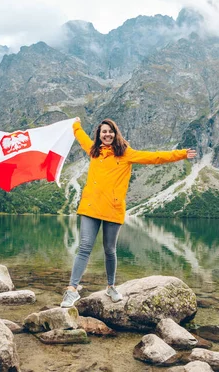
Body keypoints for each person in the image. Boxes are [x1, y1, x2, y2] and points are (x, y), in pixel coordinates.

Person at [60, 118, 198, 308]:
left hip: (113, 209)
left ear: (116, 134)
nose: (107, 134)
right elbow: (80, 135)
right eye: (103, 132)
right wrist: (75, 124)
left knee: (110, 249)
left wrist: (181, 154)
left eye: (110, 131)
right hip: (90, 207)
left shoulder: (126, 154)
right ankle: (72, 290)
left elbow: (155, 157)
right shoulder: (93, 151)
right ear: (99, 136)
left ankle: (111, 286)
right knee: (84, 247)